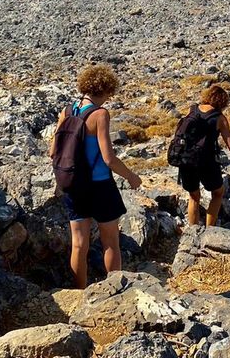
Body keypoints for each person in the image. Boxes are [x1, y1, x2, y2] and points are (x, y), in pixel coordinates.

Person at [48, 64, 142, 289]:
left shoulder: (67, 111)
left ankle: (80, 292)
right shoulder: (100, 114)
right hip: (100, 185)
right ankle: (116, 290)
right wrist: (131, 176)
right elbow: (108, 158)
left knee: (79, 244)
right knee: (110, 241)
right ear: (107, 89)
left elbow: (53, 151)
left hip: (73, 184)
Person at [178, 84, 230, 227]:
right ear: (222, 102)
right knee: (218, 193)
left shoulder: (192, 109)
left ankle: (193, 232)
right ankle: (209, 230)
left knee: (194, 196)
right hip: (206, 162)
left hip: (185, 159)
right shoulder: (220, 118)